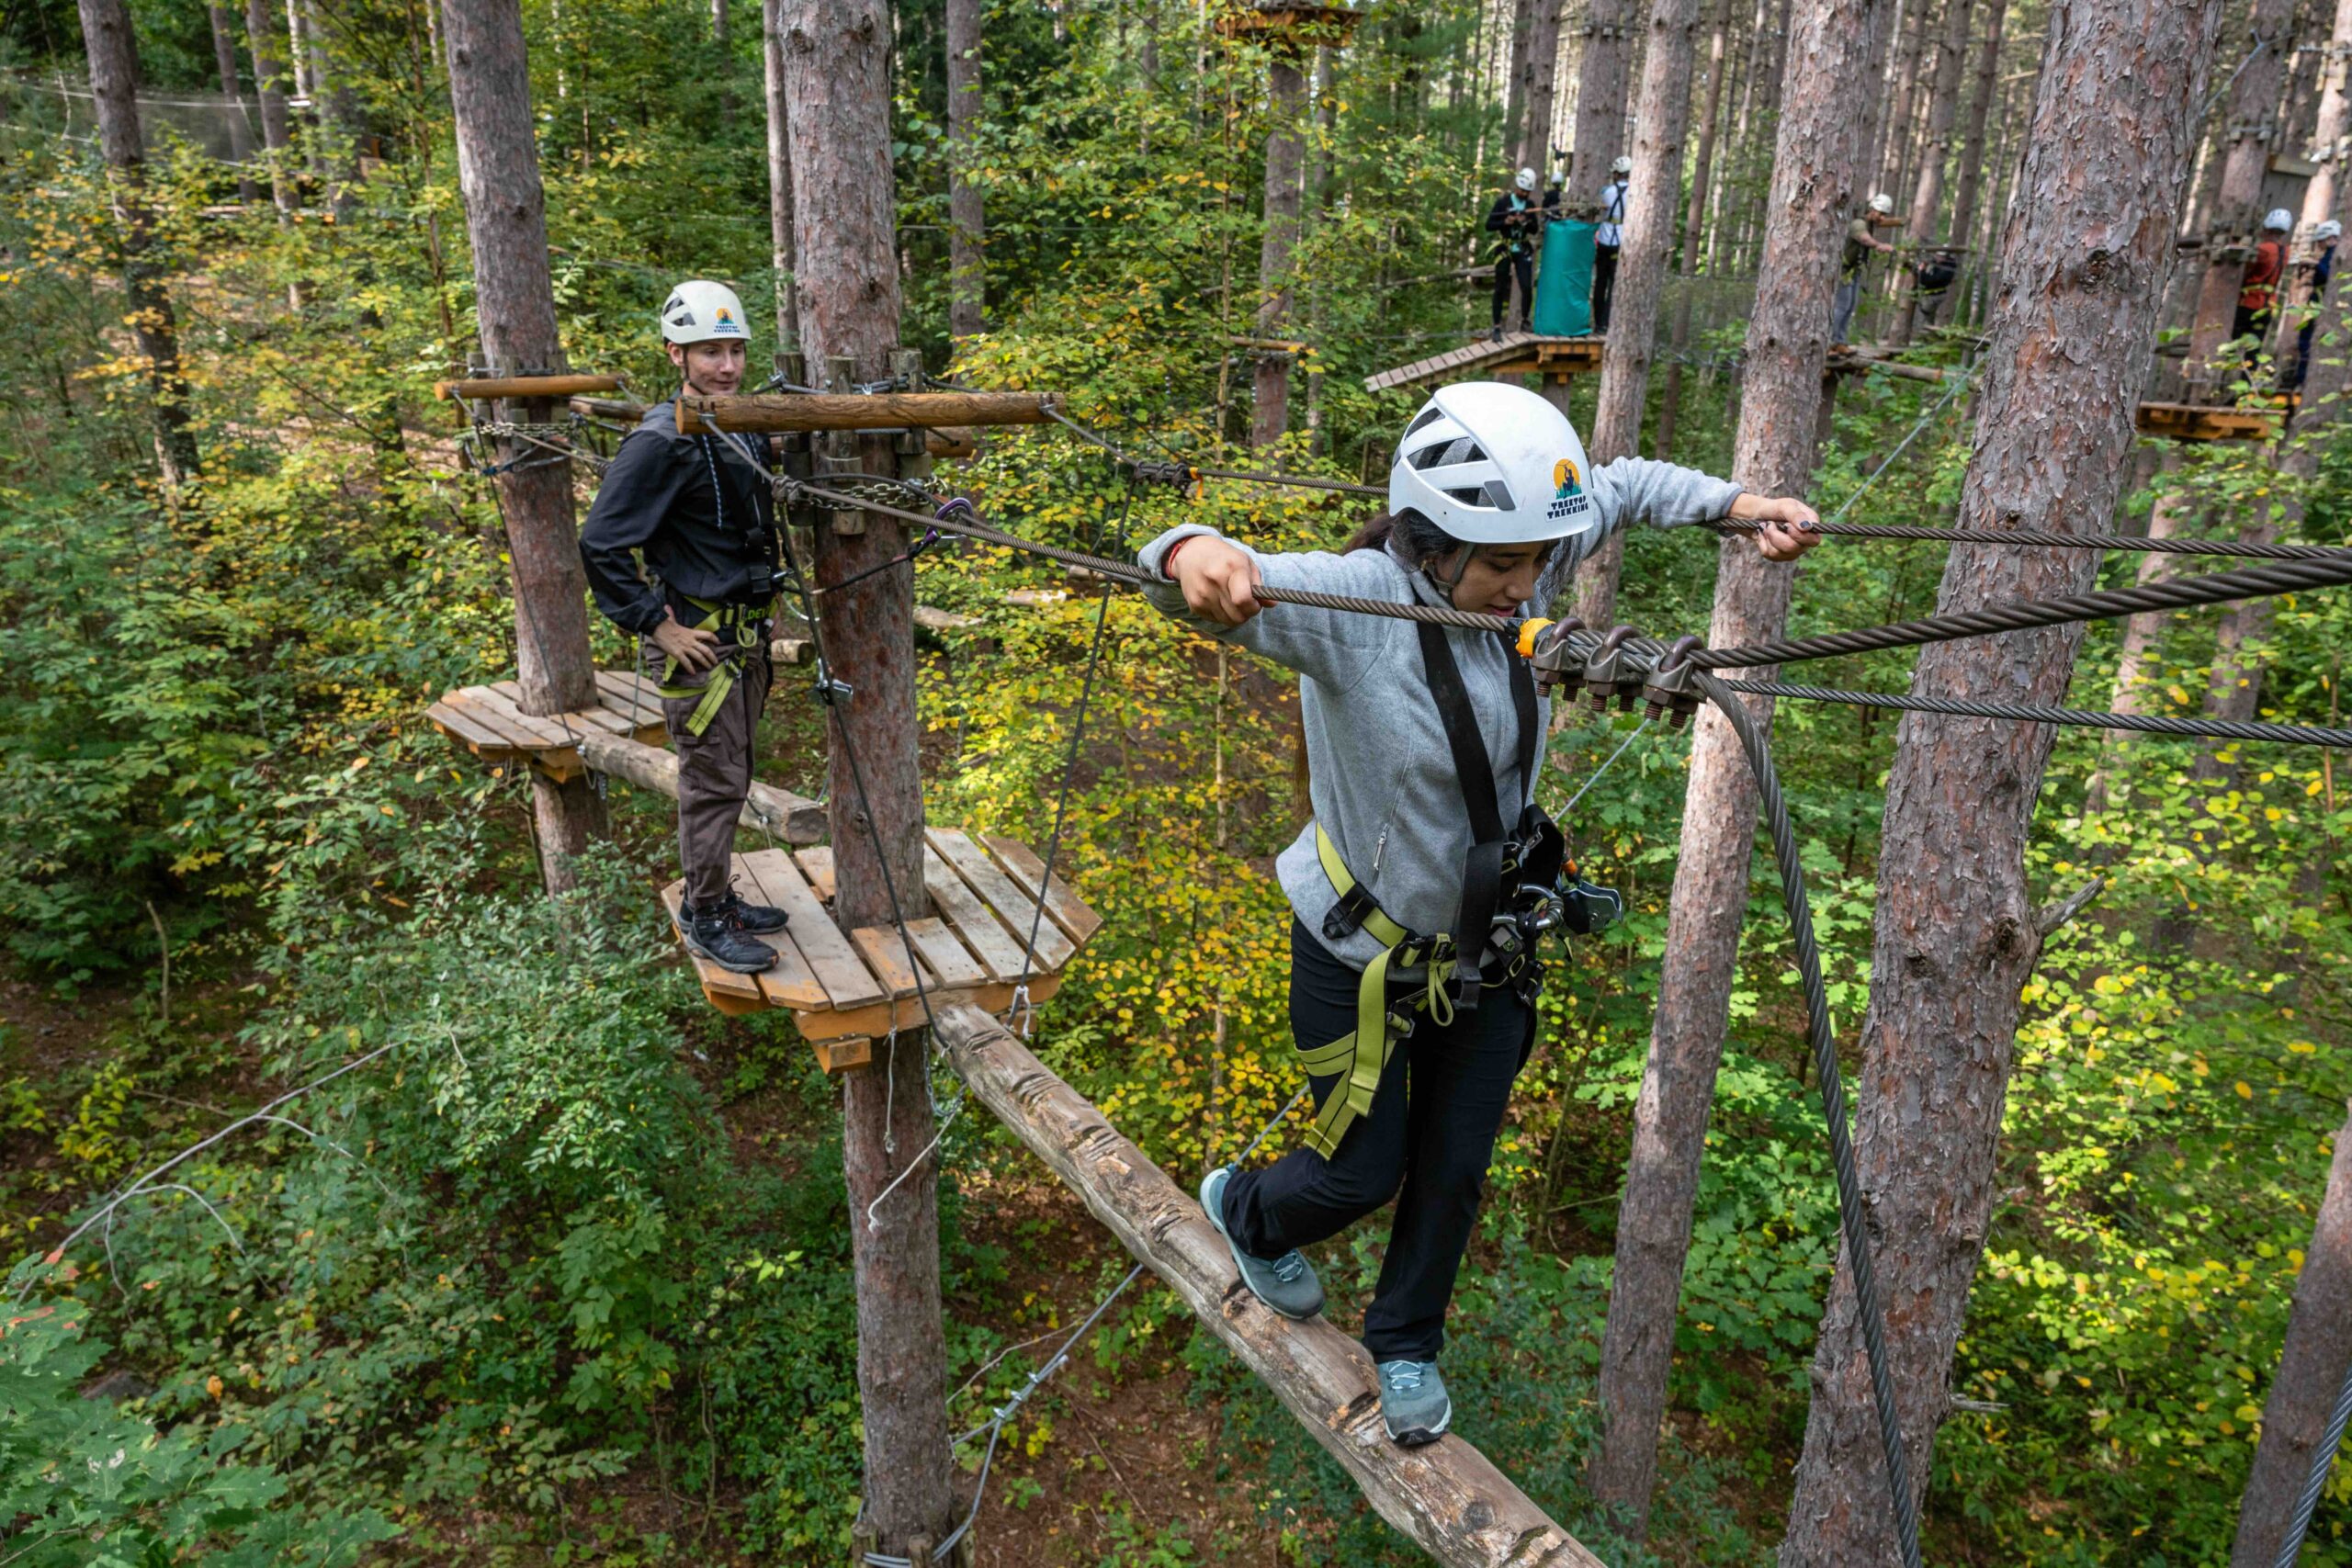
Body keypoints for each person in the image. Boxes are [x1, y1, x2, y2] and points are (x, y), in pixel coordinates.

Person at [1136, 382, 1821, 1446]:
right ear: (1429, 536)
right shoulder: (1354, 602)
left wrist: (1737, 504)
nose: (1524, 585)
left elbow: (1625, 486)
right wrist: (1188, 549)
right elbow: (1200, 576)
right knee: (1361, 1170)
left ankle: (1406, 1342)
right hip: (1354, 951)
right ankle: (1248, 1209)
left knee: (1454, 1169)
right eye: (1501, 566)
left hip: (1488, 948)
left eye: (1536, 563)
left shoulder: (1526, 541)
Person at [579, 279, 790, 976]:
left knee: (731, 771)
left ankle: (719, 897)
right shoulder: (659, 440)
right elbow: (601, 542)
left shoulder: (741, 424)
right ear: (676, 354)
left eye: (735, 350)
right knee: (712, 779)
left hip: (743, 637)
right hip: (701, 644)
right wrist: (654, 624)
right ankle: (705, 916)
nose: (726, 366)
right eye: (709, 353)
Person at [1486, 167, 1555, 342]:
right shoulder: (1503, 203)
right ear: (1516, 186)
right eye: (1521, 190)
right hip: (1504, 247)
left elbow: (1534, 229)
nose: (1524, 193)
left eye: (1527, 191)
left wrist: (1525, 222)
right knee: (1500, 288)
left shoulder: (1530, 206)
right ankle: (1496, 327)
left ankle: (1525, 320)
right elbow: (1489, 224)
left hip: (1521, 247)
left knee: (1526, 286)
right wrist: (1506, 221)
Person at [1834, 193, 1901, 344]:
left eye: (1885, 215)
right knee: (1842, 307)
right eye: (1881, 214)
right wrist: (1879, 245)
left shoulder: (1869, 226)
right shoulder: (1859, 223)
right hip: (1844, 271)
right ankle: (1833, 341)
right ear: (1873, 210)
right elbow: (1864, 239)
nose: (1882, 218)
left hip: (1854, 272)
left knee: (1850, 307)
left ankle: (1840, 342)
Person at [2236, 208, 2295, 349]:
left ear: (2266, 228)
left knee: (2233, 343)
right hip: (2268, 306)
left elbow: (2246, 271)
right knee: (2254, 349)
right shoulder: (2286, 251)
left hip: (2248, 303)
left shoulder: (2263, 249)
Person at [2293, 219, 2342, 390]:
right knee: (2307, 339)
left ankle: (2302, 380)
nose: (2319, 245)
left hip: (2321, 302)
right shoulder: (2331, 254)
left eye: (2321, 241)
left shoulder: (2336, 255)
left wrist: (2315, 265)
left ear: (2330, 238)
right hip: (2319, 300)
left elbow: (2331, 276)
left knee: (2307, 339)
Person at [1591, 154, 1632, 333]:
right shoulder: (1634, 192)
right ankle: (1607, 322)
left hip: (1604, 240)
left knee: (1601, 281)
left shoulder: (1607, 191)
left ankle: (1599, 322)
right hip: (1620, 241)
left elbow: (1600, 209)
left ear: (1617, 173)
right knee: (1613, 284)